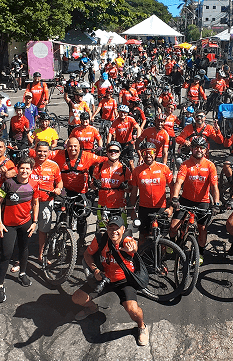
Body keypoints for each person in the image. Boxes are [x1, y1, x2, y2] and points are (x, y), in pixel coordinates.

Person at [72, 214, 148, 346]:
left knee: (133, 310)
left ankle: (142, 327)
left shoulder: (126, 240)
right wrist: (95, 270)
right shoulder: (101, 239)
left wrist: (133, 249)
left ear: (123, 229)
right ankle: (92, 308)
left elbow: (133, 245)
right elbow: (87, 254)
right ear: (106, 229)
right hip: (104, 278)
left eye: (117, 228)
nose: (114, 232)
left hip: (123, 281)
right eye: (110, 228)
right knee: (77, 298)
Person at [0, 157, 39, 303]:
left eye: (28, 169)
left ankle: (22, 273)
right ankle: (0, 286)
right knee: (5, 254)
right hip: (8, 225)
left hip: (25, 223)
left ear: (31, 171)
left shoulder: (34, 184)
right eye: (22, 168)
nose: (25, 171)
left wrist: (35, 222)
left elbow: (36, 202)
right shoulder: (8, 183)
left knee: (24, 249)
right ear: (17, 169)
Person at [168, 136, 219, 263]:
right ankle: (173, 243)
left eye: (201, 148)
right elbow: (179, 182)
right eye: (196, 147)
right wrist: (175, 198)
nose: (199, 150)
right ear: (191, 149)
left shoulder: (210, 165)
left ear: (205, 150)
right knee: (173, 227)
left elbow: (214, 187)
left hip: (203, 202)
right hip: (186, 199)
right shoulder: (185, 165)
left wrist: (216, 204)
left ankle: (200, 253)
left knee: (202, 229)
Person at [130, 142, 173, 246]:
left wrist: (171, 207)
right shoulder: (137, 171)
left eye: (151, 152)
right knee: (143, 236)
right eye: (144, 152)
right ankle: (140, 259)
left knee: (162, 237)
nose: (148, 155)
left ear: (155, 153)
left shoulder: (164, 168)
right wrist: (132, 210)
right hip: (144, 208)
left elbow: (173, 188)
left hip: (161, 208)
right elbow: (134, 192)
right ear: (141, 154)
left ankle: (161, 259)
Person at [30, 141, 63, 263]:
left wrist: (58, 188)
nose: (42, 154)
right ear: (35, 150)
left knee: (43, 230)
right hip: (29, 201)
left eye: (45, 151)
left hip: (46, 201)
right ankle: (21, 258)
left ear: (49, 152)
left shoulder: (54, 165)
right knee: (26, 229)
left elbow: (59, 182)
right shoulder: (30, 163)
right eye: (39, 151)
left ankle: (41, 254)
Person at [91, 141, 132, 228]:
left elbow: (131, 189)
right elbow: (92, 185)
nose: (113, 152)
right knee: (102, 232)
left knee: (121, 232)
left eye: (116, 151)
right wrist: (95, 184)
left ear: (120, 152)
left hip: (119, 206)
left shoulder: (125, 169)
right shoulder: (99, 167)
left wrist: (126, 187)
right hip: (102, 205)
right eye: (111, 150)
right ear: (107, 152)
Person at [110, 105, 141, 170]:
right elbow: (110, 133)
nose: (122, 114)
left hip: (129, 143)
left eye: (124, 112)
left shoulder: (131, 119)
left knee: (131, 163)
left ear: (127, 113)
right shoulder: (116, 121)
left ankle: (133, 178)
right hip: (119, 144)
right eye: (121, 112)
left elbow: (138, 128)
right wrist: (108, 144)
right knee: (116, 162)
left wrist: (138, 138)